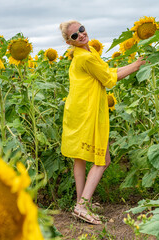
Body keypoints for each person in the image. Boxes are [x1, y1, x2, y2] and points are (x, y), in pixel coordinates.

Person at [59, 20, 146, 225]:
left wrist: (135, 63)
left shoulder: (86, 55)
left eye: (81, 30)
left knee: (79, 159)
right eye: (74, 36)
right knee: (102, 160)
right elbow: (109, 80)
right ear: (69, 42)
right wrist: (137, 65)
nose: (80, 35)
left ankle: (81, 202)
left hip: (77, 112)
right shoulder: (86, 58)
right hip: (88, 114)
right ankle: (82, 206)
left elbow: (107, 72)